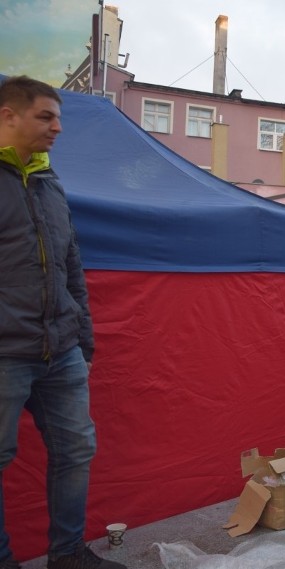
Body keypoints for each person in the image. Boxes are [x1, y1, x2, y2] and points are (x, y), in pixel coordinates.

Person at [0, 76, 125, 569]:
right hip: (5, 354)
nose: (57, 128)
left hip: (62, 352)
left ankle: (68, 554)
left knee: (76, 451)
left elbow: (71, 264)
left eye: (59, 118)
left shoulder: (49, 181)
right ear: (8, 115)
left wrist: (83, 342)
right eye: (46, 117)